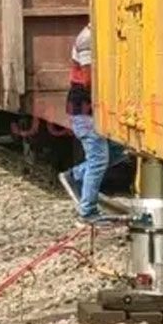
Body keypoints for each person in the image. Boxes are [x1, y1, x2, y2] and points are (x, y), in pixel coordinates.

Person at [59, 25, 127, 221]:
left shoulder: (92, 36)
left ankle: (75, 176)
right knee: (98, 159)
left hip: (91, 109)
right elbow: (89, 80)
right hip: (84, 109)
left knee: (118, 150)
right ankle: (87, 211)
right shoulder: (87, 39)